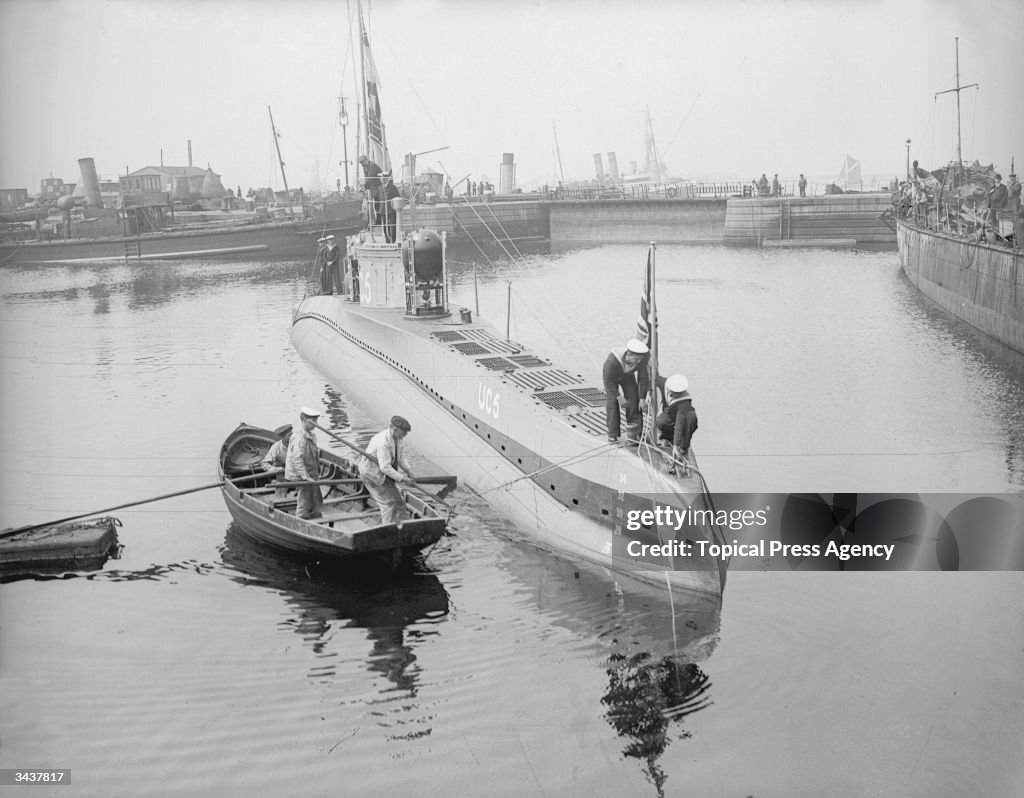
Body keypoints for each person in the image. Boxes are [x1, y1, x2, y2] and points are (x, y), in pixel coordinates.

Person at [358, 415, 415, 525]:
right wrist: (403, 479)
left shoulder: (398, 438)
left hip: (385, 473)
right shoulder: (383, 442)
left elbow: (400, 456)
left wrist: (409, 470)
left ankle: (407, 527)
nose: (405, 435)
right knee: (388, 504)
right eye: (404, 432)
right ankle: (387, 530)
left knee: (399, 503)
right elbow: (385, 467)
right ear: (394, 429)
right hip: (372, 474)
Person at [603, 338, 650, 442]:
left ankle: (635, 431)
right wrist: (619, 397)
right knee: (612, 402)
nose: (639, 362)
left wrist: (642, 398)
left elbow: (643, 378)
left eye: (640, 360)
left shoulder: (642, 358)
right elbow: (608, 382)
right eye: (636, 359)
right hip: (612, 378)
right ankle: (613, 433)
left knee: (634, 399)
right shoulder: (612, 362)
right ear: (629, 355)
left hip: (627, 376)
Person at [655, 374, 698, 472]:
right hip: (670, 412)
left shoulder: (684, 401)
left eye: (676, 393)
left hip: (684, 416)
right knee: (661, 422)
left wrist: (676, 446)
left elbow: (679, 423)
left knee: (691, 418)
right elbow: (653, 379)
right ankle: (668, 436)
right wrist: (648, 393)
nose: (672, 394)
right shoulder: (664, 383)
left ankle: (684, 445)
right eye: (672, 391)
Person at [285, 407, 323, 519]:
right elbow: (297, 460)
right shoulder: (299, 438)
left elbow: (314, 455)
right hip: (300, 475)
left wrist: (315, 474)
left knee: (317, 498)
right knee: (305, 501)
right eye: (313, 421)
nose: (316, 424)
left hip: (311, 473)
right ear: (304, 420)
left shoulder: (311, 435)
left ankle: (316, 516)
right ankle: (301, 520)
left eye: (316, 421)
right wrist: (305, 477)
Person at [261, 424, 293, 499]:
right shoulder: (276, 448)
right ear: (282, 437)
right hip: (283, 474)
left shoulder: (297, 444)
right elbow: (264, 464)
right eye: (289, 435)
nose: (292, 437)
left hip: (296, 472)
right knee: (281, 479)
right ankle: (281, 499)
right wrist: (277, 470)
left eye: (292, 434)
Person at [358, 154, 383, 224]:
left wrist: (364, 187)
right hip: (374, 189)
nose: (362, 164)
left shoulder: (373, 166)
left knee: (379, 205)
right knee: (376, 206)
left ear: (366, 160)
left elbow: (370, 178)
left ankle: (380, 222)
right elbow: (367, 179)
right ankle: (377, 222)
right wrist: (365, 186)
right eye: (360, 163)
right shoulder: (366, 167)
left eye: (362, 162)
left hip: (379, 189)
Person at [381, 172, 400, 243]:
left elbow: (398, 196)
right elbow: (377, 197)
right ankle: (387, 241)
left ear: (386, 179)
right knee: (385, 227)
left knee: (392, 226)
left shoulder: (392, 187)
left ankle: (393, 240)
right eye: (381, 178)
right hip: (383, 210)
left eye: (383, 178)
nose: (382, 179)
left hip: (391, 210)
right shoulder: (380, 187)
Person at [988, 173, 1008, 238]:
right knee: (993, 218)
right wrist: (989, 205)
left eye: (998, 179)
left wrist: (1001, 205)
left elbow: (1005, 197)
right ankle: (994, 231)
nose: (997, 180)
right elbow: (989, 196)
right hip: (993, 205)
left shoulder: (1003, 187)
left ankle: (1000, 232)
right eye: (996, 179)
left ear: (1000, 180)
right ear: (995, 180)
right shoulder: (992, 187)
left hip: (999, 205)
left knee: (999, 218)